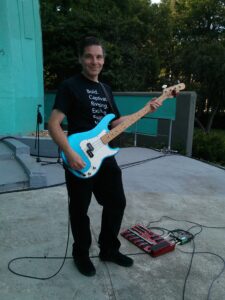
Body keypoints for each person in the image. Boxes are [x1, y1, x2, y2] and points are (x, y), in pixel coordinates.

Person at [48, 36, 161, 277]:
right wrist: (68, 152)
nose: (94, 61)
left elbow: (114, 123)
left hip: (105, 157)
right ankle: (81, 254)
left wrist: (145, 110)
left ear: (103, 60)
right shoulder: (70, 86)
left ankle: (109, 249)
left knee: (117, 202)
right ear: (81, 58)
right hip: (79, 157)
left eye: (99, 57)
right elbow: (53, 124)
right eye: (89, 56)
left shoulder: (105, 89)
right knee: (79, 210)